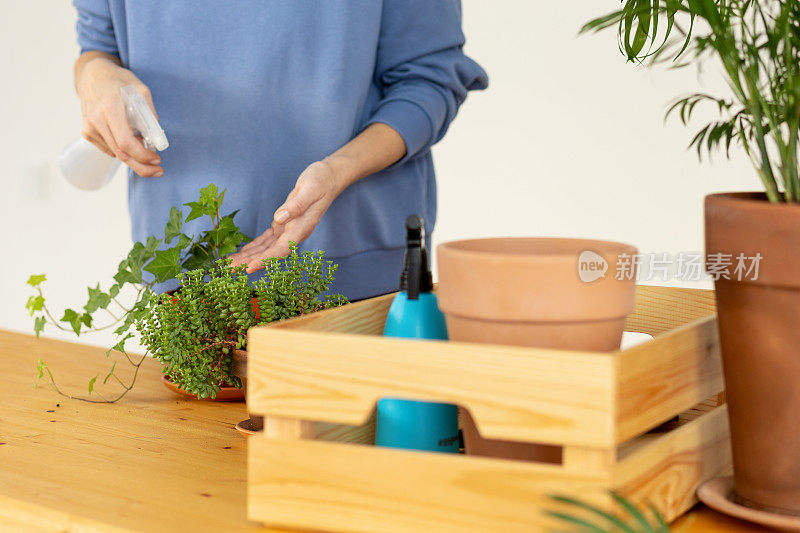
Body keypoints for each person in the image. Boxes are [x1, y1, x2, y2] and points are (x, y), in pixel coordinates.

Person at [73, 0, 488, 300]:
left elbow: (429, 79)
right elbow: (98, 46)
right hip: (181, 271)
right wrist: (96, 77)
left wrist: (338, 169)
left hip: (350, 273)